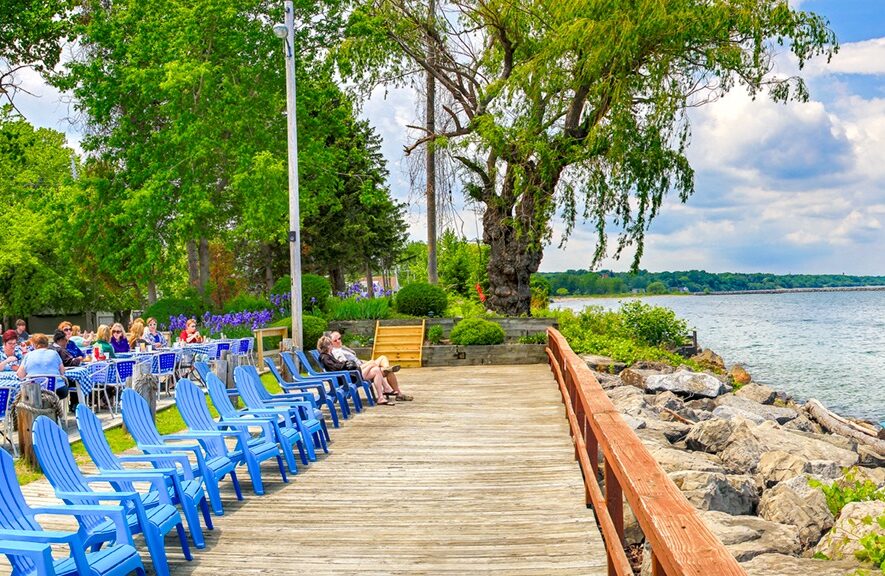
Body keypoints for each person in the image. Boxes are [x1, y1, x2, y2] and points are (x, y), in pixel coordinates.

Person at [329, 331, 412, 401]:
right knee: (381, 367)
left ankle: (388, 372)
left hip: (362, 366)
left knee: (385, 363)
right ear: (331, 343)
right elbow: (345, 364)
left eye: (339, 338)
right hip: (359, 371)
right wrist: (365, 364)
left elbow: (355, 360)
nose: (338, 341)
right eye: (335, 340)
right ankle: (394, 390)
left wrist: (364, 362)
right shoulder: (337, 352)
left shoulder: (342, 348)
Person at [317, 335, 394, 406]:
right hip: (348, 376)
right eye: (331, 344)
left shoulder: (328, 355)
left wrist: (345, 363)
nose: (332, 346)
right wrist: (345, 364)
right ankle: (387, 387)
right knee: (372, 363)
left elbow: (336, 366)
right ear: (327, 346)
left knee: (376, 370)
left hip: (350, 374)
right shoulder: (325, 357)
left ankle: (381, 397)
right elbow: (334, 368)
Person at [17, 333, 67, 399]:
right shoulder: (54, 353)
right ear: (47, 344)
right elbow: (62, 372)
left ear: (34, 344)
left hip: (34, 391)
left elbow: (20, 375)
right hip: (56, 389)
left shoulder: (28, 355)